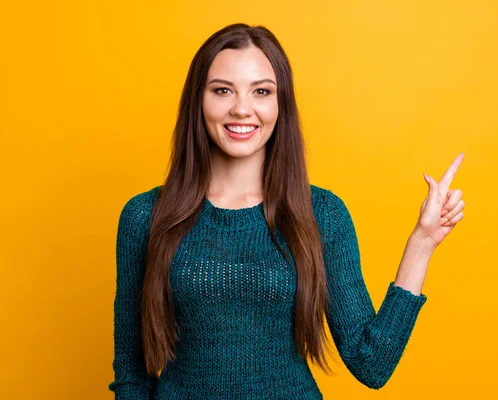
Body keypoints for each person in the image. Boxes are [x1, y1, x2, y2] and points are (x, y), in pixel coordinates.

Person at [108, 23, 465, 399]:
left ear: (281, 104)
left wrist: (422, 242)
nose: (241, 108)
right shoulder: (145, 216)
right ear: (198, 100)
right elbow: (132, 375)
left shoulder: (322, 214)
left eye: (261, 91)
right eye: (222, 90)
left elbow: (371, 363)